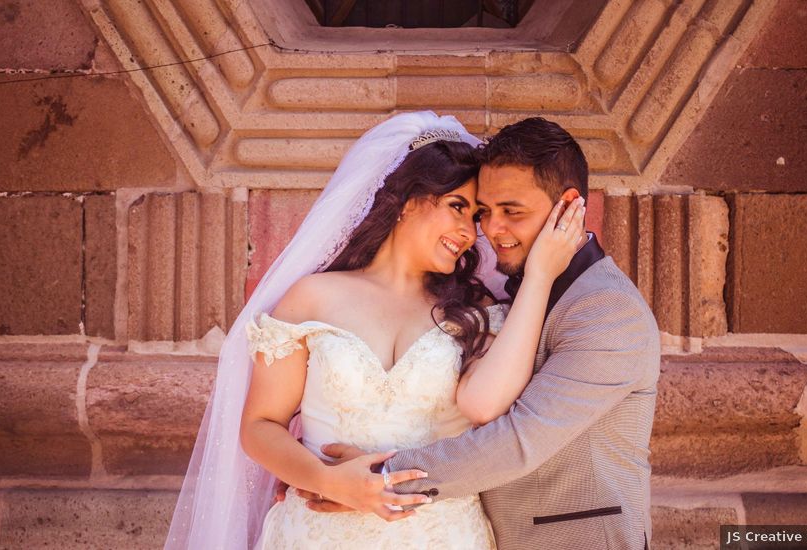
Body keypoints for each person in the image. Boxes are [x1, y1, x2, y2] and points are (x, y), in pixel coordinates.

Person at [164, 111, 585, 549]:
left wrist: (539, 276)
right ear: (406, 201)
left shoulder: (476, 313)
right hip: (317, 534)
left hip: (442, 537)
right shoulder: (313, 298)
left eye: (474, 217)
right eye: (458, 207)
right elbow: (259, 425)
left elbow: (485, 405)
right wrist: (329, 481)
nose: (468, 232)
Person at [308, 118, 661, 550]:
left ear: (569, 206)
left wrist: (378, 481)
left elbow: (519, 441)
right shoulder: (504, 293)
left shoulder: (607, 311)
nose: (492, 231)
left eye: (512, 212)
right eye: (485, 213)